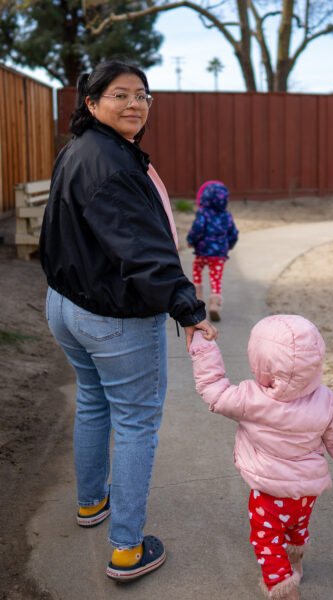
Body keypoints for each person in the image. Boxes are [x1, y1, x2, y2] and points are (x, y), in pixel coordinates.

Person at [39, 60, 217, 582]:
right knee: (137, 424)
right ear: (92, 103)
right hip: (110, 314)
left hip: (66, 304)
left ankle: (92, 503)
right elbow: (143, 251)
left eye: (143, 95)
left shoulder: (82, 150)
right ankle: (125, 548)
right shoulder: (111, 163)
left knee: (94, 402)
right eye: (121, 95)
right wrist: (188, 309)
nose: (136, 104)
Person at [189, 314, 333, 600]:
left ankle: (285, 590)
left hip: (268, 495)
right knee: (295, 528)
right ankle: (295, 561)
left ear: (261, 362)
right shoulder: (327, 400)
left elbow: (213, 390)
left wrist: (203, 347)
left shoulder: (251, 398)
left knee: (267, 541)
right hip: (306, 495)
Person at [187, 180, 238, 321]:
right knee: (216, 279)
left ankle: (197, 300)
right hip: (219, 255)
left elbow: (197, 229)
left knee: (197, 269)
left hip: (202, 252)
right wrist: (229, 246)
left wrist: (191, 241)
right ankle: (215, 305)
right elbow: (233, 233)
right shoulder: (226, 216)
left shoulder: (203, 213)